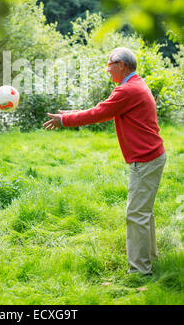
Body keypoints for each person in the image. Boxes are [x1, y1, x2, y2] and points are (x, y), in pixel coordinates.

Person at [43, 47, 166, 275]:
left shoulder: (128, 90)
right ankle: (148, 257)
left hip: (146, 158)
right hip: (152, 156)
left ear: (122, 65)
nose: (108, 68)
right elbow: (104, 110)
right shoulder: (133, 85)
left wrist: (64, 121)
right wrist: (69, 114)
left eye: (110, 63)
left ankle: (140, 270)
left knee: (136, 214)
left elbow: (98, 114)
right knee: (143, 212)